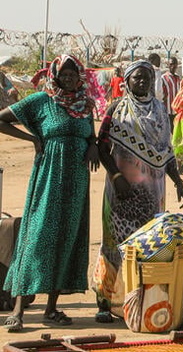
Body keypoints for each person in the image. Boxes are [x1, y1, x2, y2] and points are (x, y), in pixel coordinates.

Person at [0, 55, 99, 331]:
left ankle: (51, 309)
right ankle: (18, 309)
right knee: (37, 237)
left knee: (67, 238)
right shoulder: (42, 101)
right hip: (49, 177)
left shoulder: (84, 105)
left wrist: (92, 145)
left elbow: (90, 135)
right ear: (54, 75)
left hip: (76, 181)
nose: (68, 79)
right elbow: (2, 119)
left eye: (72, 75)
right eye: (63, 74)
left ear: (79, 77)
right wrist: (32, 138)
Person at [93, 60, 183, 322]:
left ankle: (138, 301)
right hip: (121, 193)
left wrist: (178, 182)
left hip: (152, 193)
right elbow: (102, 147)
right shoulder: (117, 109)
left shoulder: (160, 111)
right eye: (137, 77)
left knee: (148, 246)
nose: (143, 81)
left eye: (147, 77)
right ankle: (105, 301)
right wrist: (116, 177)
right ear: (127, 81)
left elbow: (166, 151)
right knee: (114, 245)